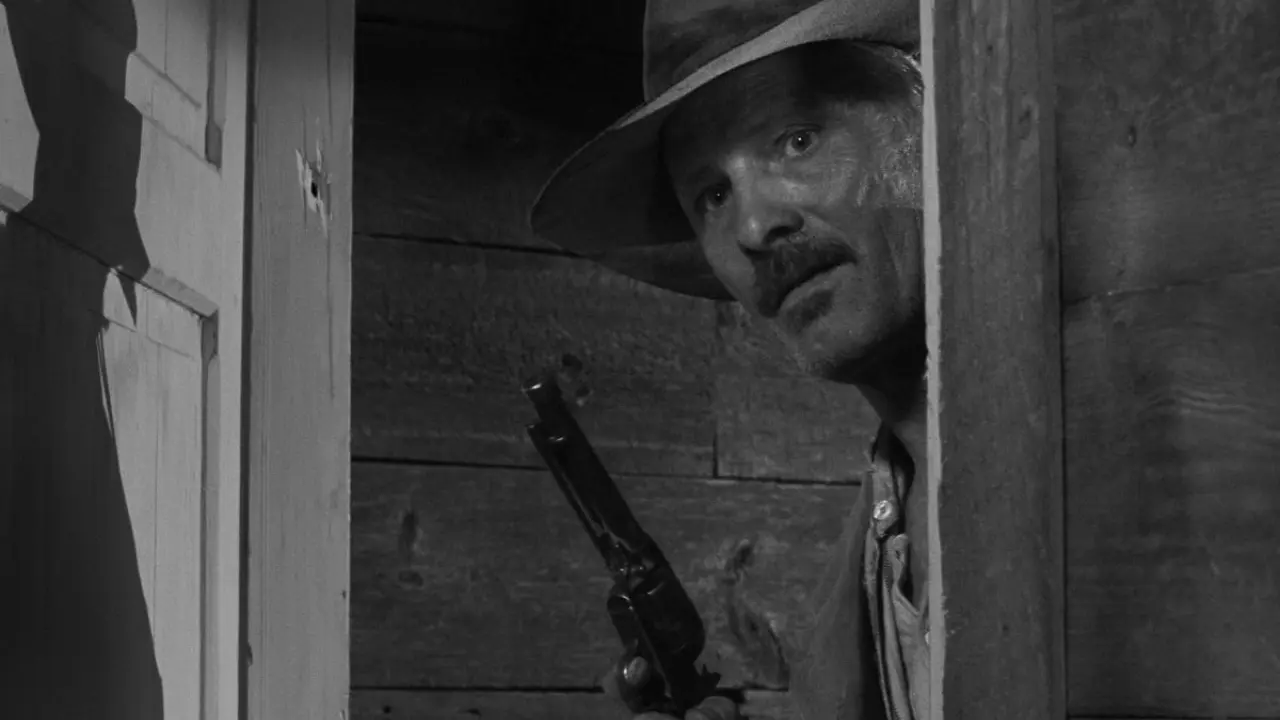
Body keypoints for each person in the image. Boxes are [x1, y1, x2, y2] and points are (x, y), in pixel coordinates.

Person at [530, 1, 927, 718]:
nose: (752, 227)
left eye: (797, 141)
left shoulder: (1112, 447)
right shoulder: (878, 531)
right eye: (713, 195)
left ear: (923, 126)